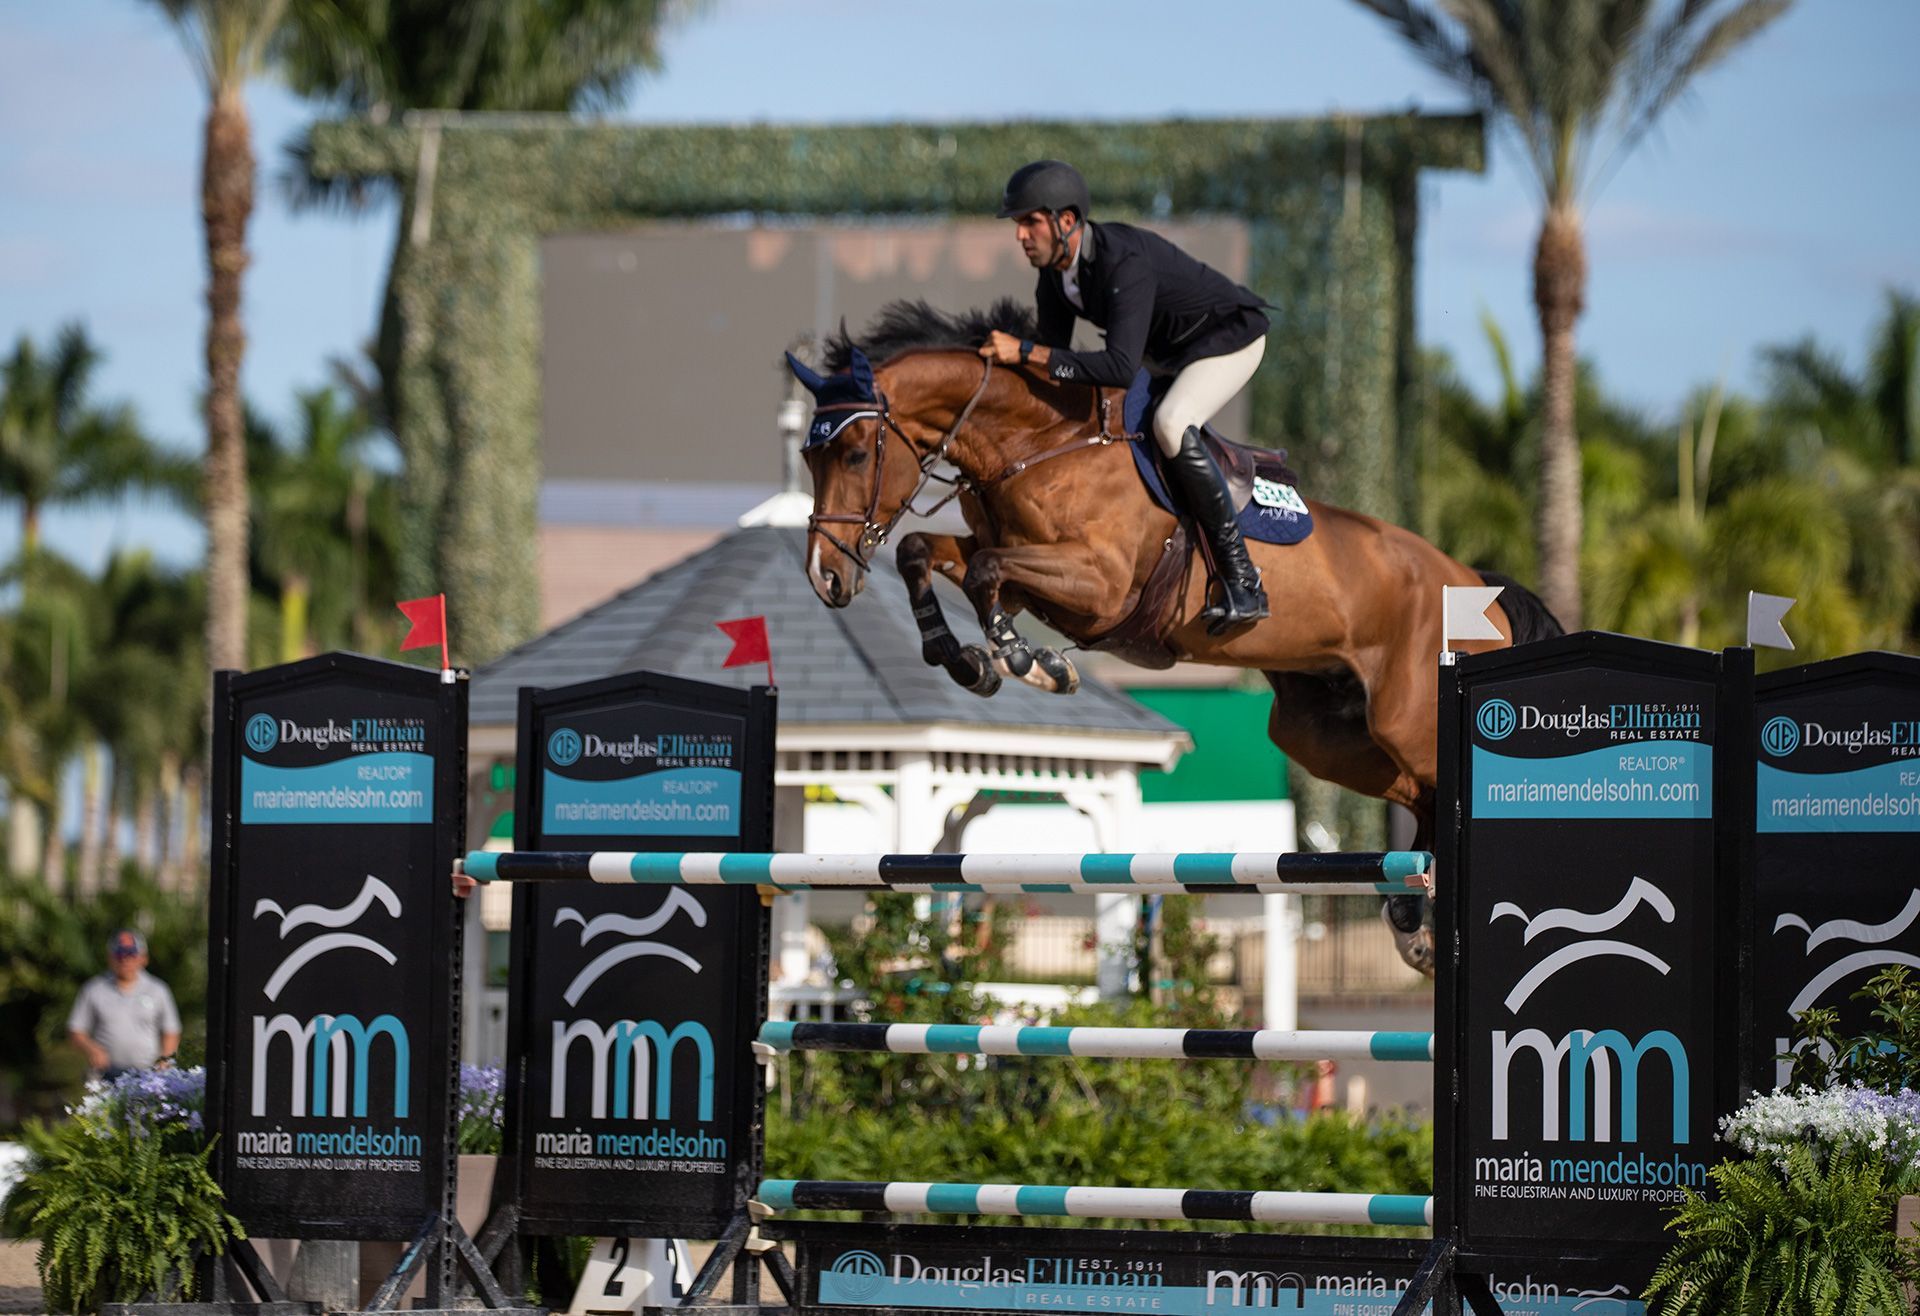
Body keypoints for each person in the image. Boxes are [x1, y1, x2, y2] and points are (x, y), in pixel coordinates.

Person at [979, 159, 1272, 633]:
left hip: (1228, 339)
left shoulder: (1122, 260)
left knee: (1171, 423)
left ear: (1066, 221)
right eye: (1018, 224)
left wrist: (1027, 350)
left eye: (1030, 221)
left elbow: (1115, 367)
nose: (1020, 235)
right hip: (1171, 355)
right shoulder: (1055, 276)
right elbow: (1054, 367)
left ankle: (1243, 580)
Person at [67, 929, 180, 1080]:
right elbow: (76, 1030)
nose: (125, 960)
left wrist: (165, 1061)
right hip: (105, 1075)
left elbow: (171, 1031)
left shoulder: (158, 990)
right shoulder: (94, 989)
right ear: (110, 958)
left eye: (130, 954)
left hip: (148, 1075)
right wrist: (92, 1049)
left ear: (143, 958)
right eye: (119, 954)